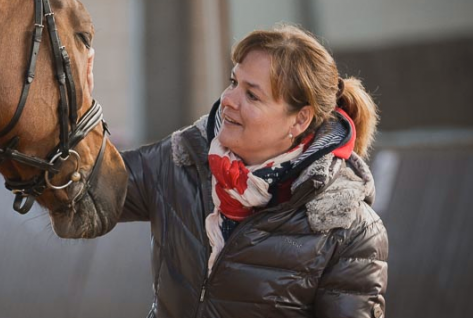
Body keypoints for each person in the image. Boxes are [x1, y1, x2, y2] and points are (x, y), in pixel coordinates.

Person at [121, 24, 388, 318]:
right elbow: (81, 186)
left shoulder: (349, 229)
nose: (228, 100)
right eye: (233, 82)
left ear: (299, 120)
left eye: (252, 95)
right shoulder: (181, 160)